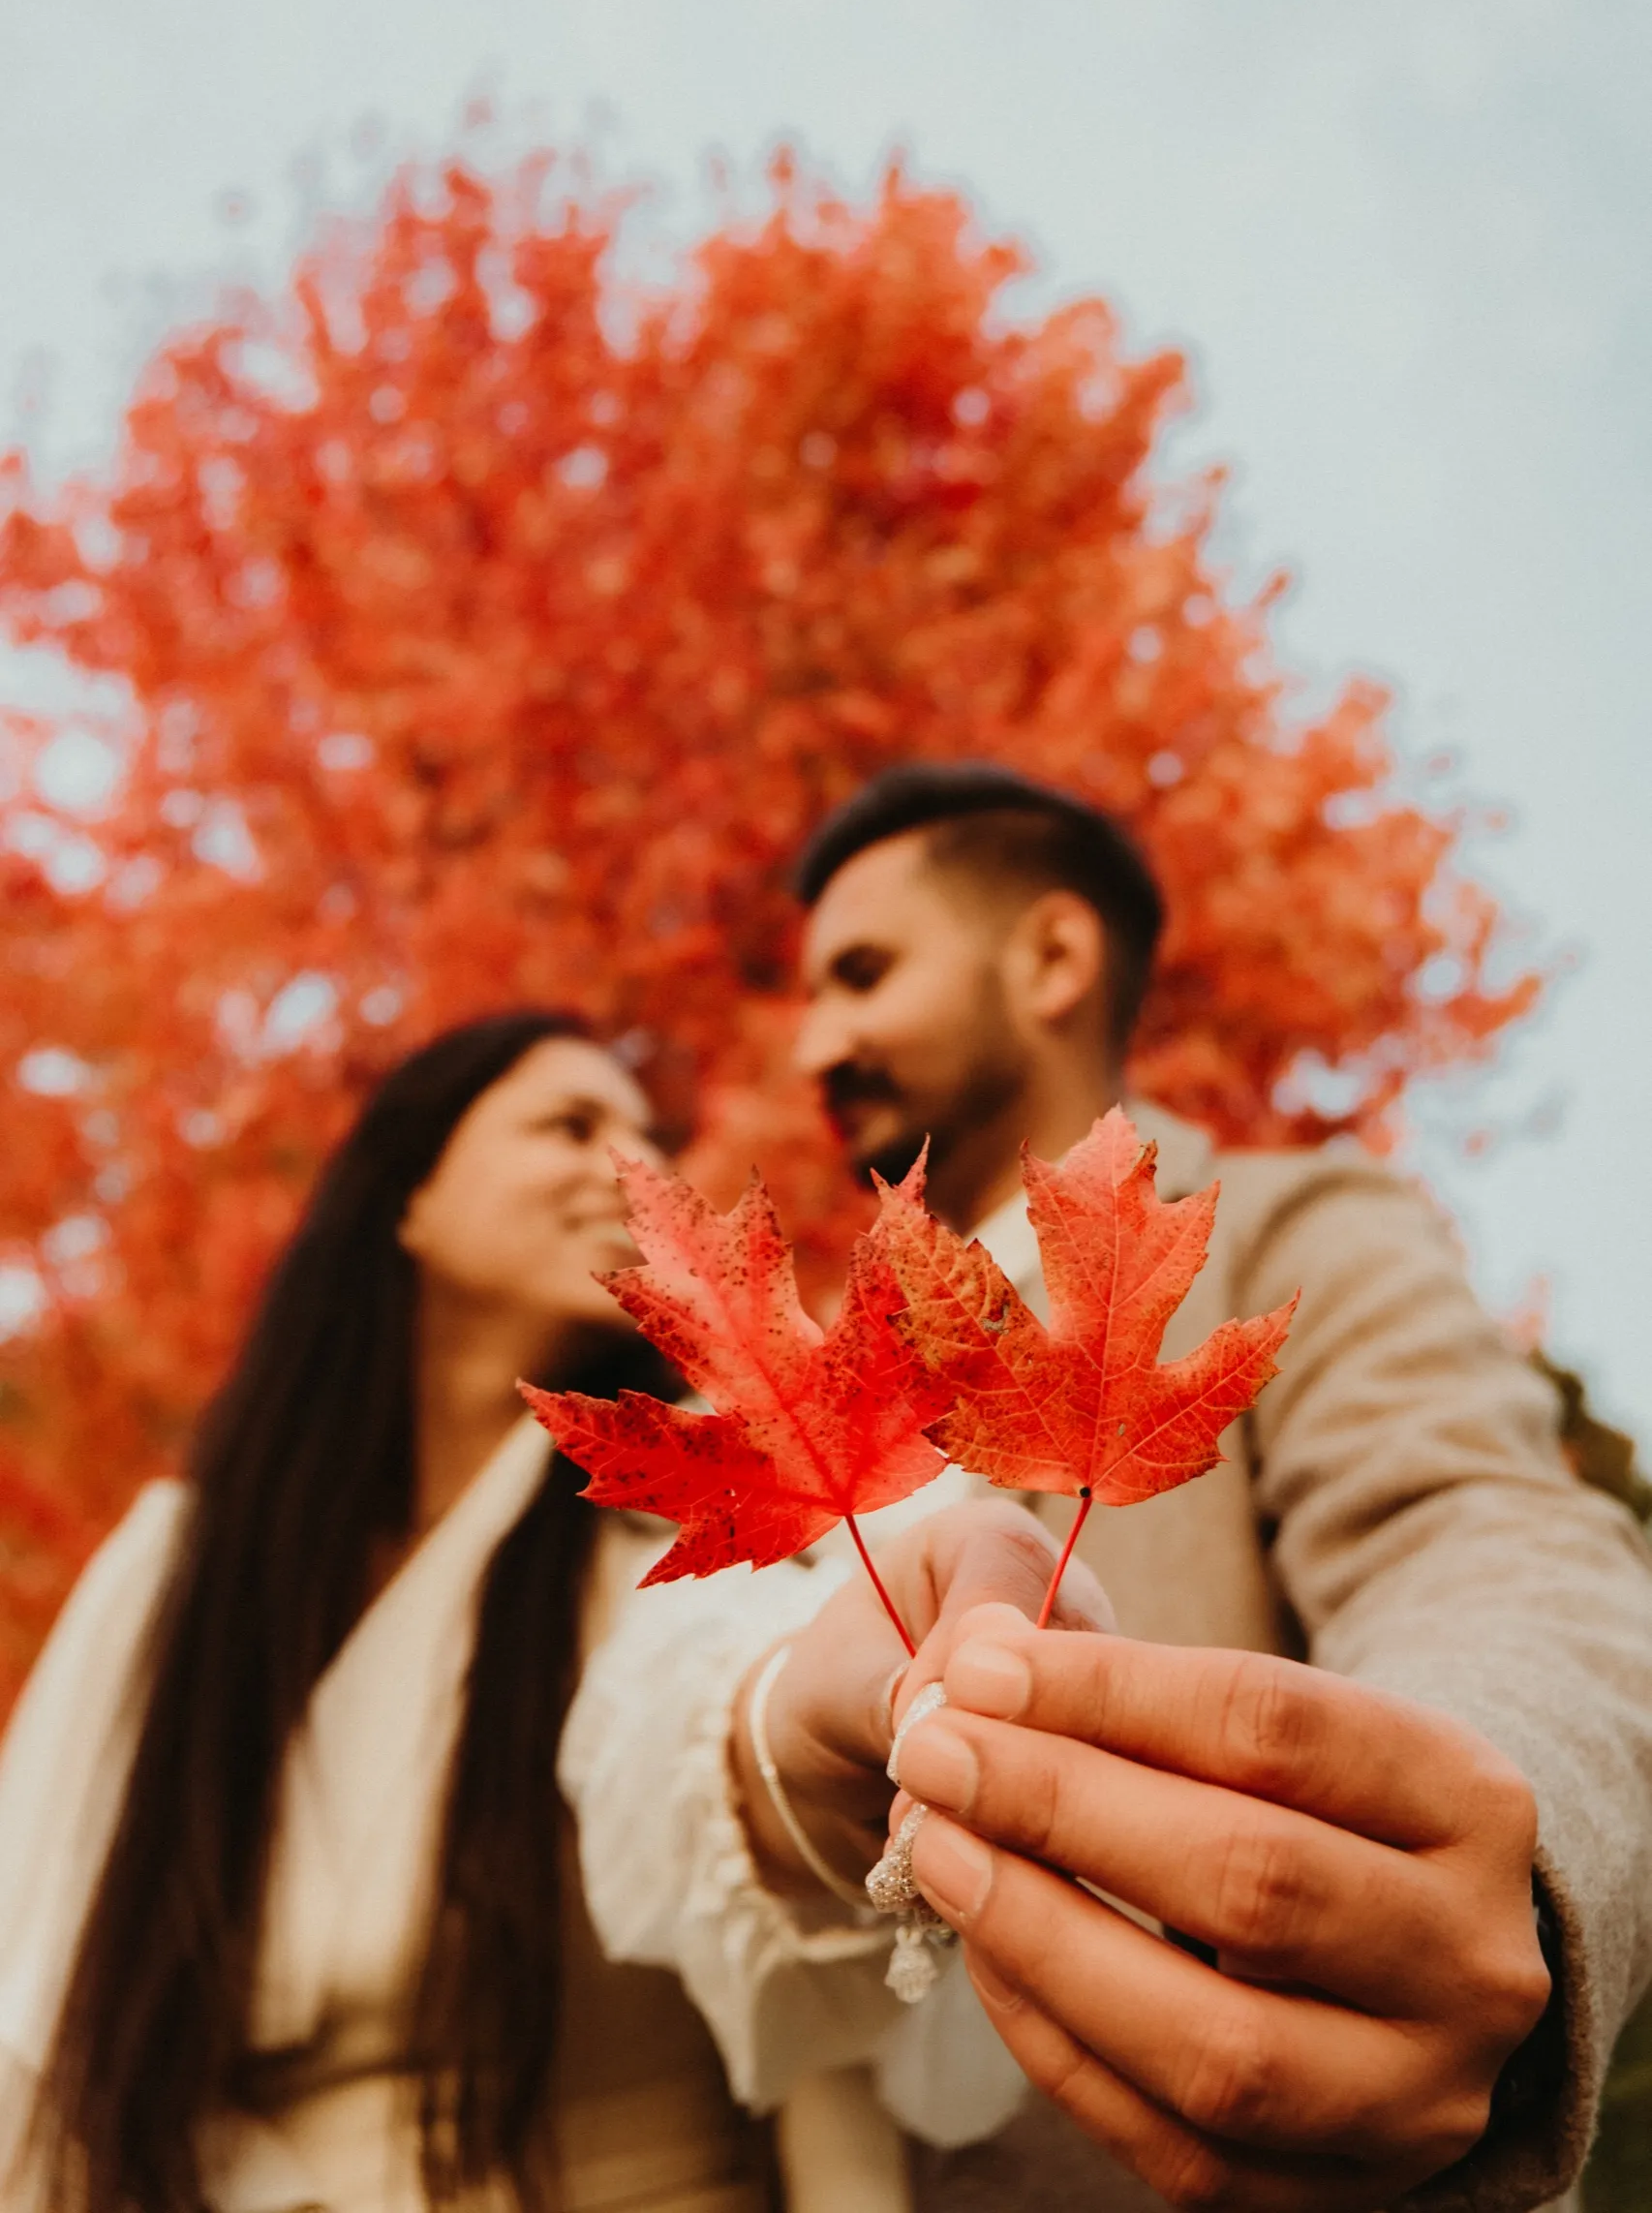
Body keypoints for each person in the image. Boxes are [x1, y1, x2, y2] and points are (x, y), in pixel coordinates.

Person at [565, 763, 1652, 2213]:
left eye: (863, 974)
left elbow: (1484, 1534)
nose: (816, 1043)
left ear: (1052, 957)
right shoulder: (831, 1365)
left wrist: (1468, 1856)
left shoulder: (1286, 1229)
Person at [0, 1006, 1083, 2213]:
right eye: (569, 1124)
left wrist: (818, 1742)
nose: (628, 1166)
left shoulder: (706, 1521)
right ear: (407, 1198)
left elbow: (734, 1717)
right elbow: (35, 2001)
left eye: (646, 1137)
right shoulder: (182, 1572)